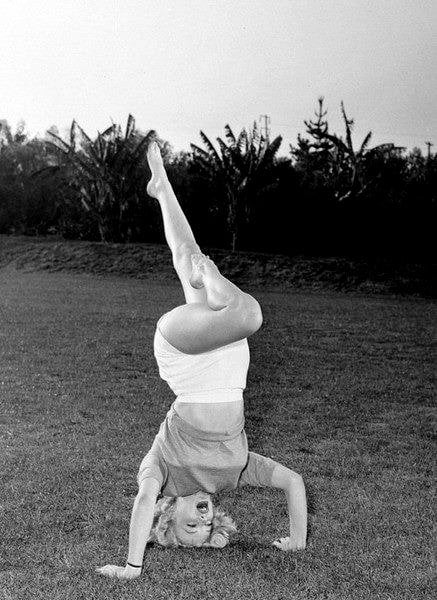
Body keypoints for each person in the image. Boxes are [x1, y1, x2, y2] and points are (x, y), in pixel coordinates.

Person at [96, 141, 307, 580]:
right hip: (227, 363)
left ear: (167, 515)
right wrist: (298, 540)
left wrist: (133, 567)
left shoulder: (161, 472)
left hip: (186, 365)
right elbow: (293, 483)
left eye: (190, 524)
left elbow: (140, 504)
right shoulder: (233, 475)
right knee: (186, 256)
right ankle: (162, 188)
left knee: (249, 313)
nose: (204, 517)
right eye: (207, 526)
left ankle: (209, 275)